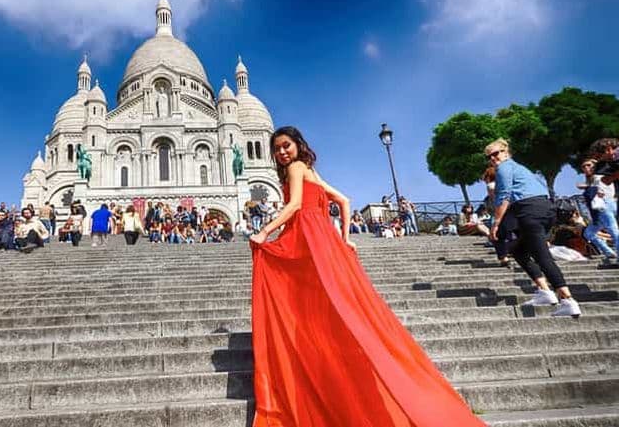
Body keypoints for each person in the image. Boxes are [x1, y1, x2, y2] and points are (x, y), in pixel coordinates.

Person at [248, 126, 485, 426]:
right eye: (277, 149)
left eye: (286, 146)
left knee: (303, 296)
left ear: (297, 145)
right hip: (324, 238)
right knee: (337, 301)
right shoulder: (310, 169)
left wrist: (264, 232)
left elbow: (295, 205)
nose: (282, 152)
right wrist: (344, 238)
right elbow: (344, 201)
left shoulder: (296, 167)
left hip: (306, 235)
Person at [486, 138, 581, 316]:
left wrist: (496, 223)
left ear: (506, 152)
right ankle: (545, 291)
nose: (492, 158)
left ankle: (567, 299)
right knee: (519, 251)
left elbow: (504, 195)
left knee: (541, 256)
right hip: (544, 209)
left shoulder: (505, 167)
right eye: (489, 156)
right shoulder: (520, 168)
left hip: (529, 211)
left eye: (495, 153)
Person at [581, 158, 618, 263]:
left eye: (588, 165)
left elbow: (602, 189)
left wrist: (587, 187)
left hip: (604, 205)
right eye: (583, 166)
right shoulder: (592, 180)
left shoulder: (599, 177)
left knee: (613, 230)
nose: (586, 168)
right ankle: (608, 252)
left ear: (595, 166)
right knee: (588, 233)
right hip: (599, 209)